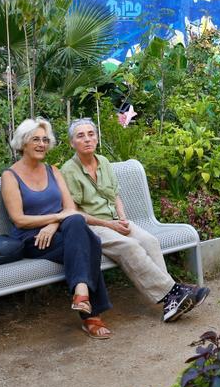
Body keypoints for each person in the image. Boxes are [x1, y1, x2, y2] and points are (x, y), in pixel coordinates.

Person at [60, 117, 210, 322]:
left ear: (96, 138)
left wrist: (122, 218)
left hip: (116, 220)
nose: (87, 139)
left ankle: (170, 301)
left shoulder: (103, 161)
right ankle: (172, 294)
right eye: (80, 136)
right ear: (72, 143)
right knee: (130, 246)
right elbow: (74, 211)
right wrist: (108, 224)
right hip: (92, 226)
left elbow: (116, 196)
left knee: (150, 241)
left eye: (91, 134)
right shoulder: (68, 170)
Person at [1, 117, 114, 340]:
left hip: (59, 232)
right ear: (24, 142)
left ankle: (81, 293)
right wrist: (55, 220)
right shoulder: (10, 176)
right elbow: (19, 220)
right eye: (35, 139)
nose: (42, 144)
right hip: (32, 239)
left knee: (77, 224)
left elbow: (70, 208)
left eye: (45, 139)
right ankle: (90, 315)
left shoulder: (53, 171)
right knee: (90, 242)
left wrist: (52, 225)